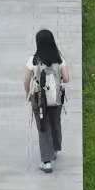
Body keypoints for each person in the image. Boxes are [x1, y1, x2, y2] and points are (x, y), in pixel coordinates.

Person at [24, 29, 69, 173]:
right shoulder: (59, 58)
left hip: (39, 99)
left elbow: (26, 80)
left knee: (43, 126)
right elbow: (67, 78)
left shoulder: (33, 60)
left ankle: (46, 161)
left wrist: (28, 94)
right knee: (55, 123)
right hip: (56, 99)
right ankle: (55, 149)